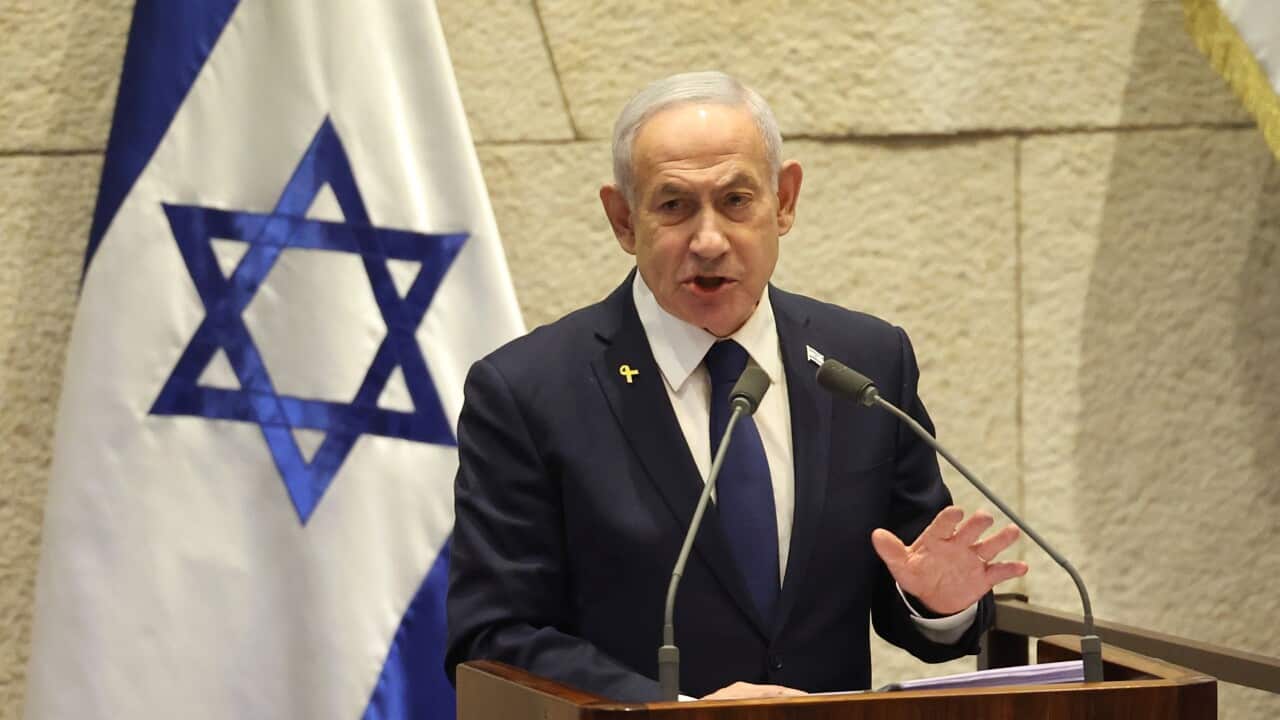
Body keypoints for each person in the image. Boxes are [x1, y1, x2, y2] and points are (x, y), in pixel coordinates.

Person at [444, 71, 1027, 702]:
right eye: (673, 206)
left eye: (736, 200)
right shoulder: (528, 392)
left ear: (784, 201)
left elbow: (909, 586)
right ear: (622, 219)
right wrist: (674, 714)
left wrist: (935, 603)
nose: (709, 240)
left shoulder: (866, 363)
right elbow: (495, 637)